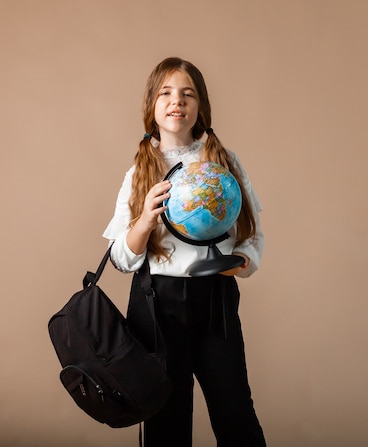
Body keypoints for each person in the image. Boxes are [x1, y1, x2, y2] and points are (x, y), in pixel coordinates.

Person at [103, 57, 266, 447]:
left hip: (215, 303)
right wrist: (144, 221)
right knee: (165, 422)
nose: (177, 101)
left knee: (235, 414)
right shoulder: (140, 171)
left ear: (200, 108)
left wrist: (241, 264)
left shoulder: (224, 164)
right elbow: (121, 260)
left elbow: (253, 237)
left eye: (187, 94)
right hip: (156, 305)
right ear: (152, 107)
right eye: (166, 93)